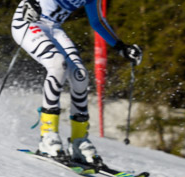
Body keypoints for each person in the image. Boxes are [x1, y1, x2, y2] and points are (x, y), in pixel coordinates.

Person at [11, 0, 142, 165]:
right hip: (28, 22)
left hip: (53, 27)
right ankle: (48, 135)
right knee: (58, 65)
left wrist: (121, 47)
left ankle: (78, 140)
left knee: (80, 75)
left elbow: (97, 21)